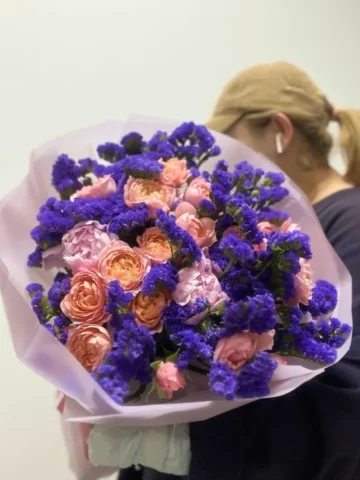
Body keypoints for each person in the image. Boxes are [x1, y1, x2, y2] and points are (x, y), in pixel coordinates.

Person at [120, 62, 360, 480]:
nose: (226, 165)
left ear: (280, 131)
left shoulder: (351, 223)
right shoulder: (284, 228)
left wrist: (182, 435)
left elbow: (347, 393)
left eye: (234, 144)